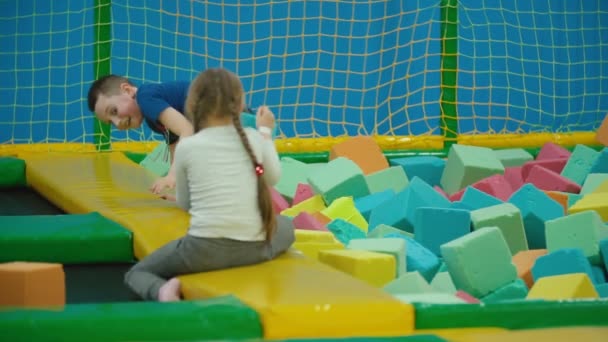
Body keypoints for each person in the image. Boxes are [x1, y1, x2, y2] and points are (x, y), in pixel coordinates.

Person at [123, 68, 295, 301]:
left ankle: (163, 292)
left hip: (202, 251)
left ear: (191, 106)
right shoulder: (253, 138)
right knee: (287, 226)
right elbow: (271, 177)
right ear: (240, 104)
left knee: (138, 272)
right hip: (255, 248)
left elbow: (185, 204)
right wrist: (265, 132)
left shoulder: (187, 146)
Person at [87, 75, 194, 194]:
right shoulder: (154, 120)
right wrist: (179, 193)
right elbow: (175, 147)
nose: (117, 123)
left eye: (114, 111)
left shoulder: (145, 97)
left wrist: (172, 175)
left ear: (127, 90)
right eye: (111, 122)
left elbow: (187, 130)